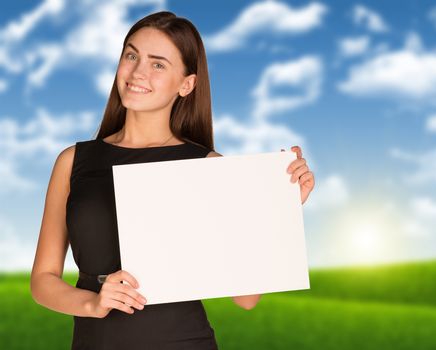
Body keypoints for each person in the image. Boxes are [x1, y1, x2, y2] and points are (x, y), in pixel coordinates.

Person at [29, 11, 315, 349]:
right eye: (131, 55)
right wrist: (93, 303)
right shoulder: (73, 161)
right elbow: (43, 281)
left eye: (158, 64)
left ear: (187, 84)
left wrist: (279, 208)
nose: (138, 72)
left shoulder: (209, 168)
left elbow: (246, 298)